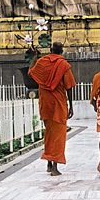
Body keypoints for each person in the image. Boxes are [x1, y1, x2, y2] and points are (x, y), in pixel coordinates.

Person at [29, 41, 76, 176]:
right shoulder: (64, 65)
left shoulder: (42, 62)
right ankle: (54, 166)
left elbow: (31, 73)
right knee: (58, 135)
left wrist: (34, 57)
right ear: (62, 51)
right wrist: (71, 105)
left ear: (50, 49)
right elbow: (69, 87)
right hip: (58, 104)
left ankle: (49, 163)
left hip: (45, 104)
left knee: (49, 133)